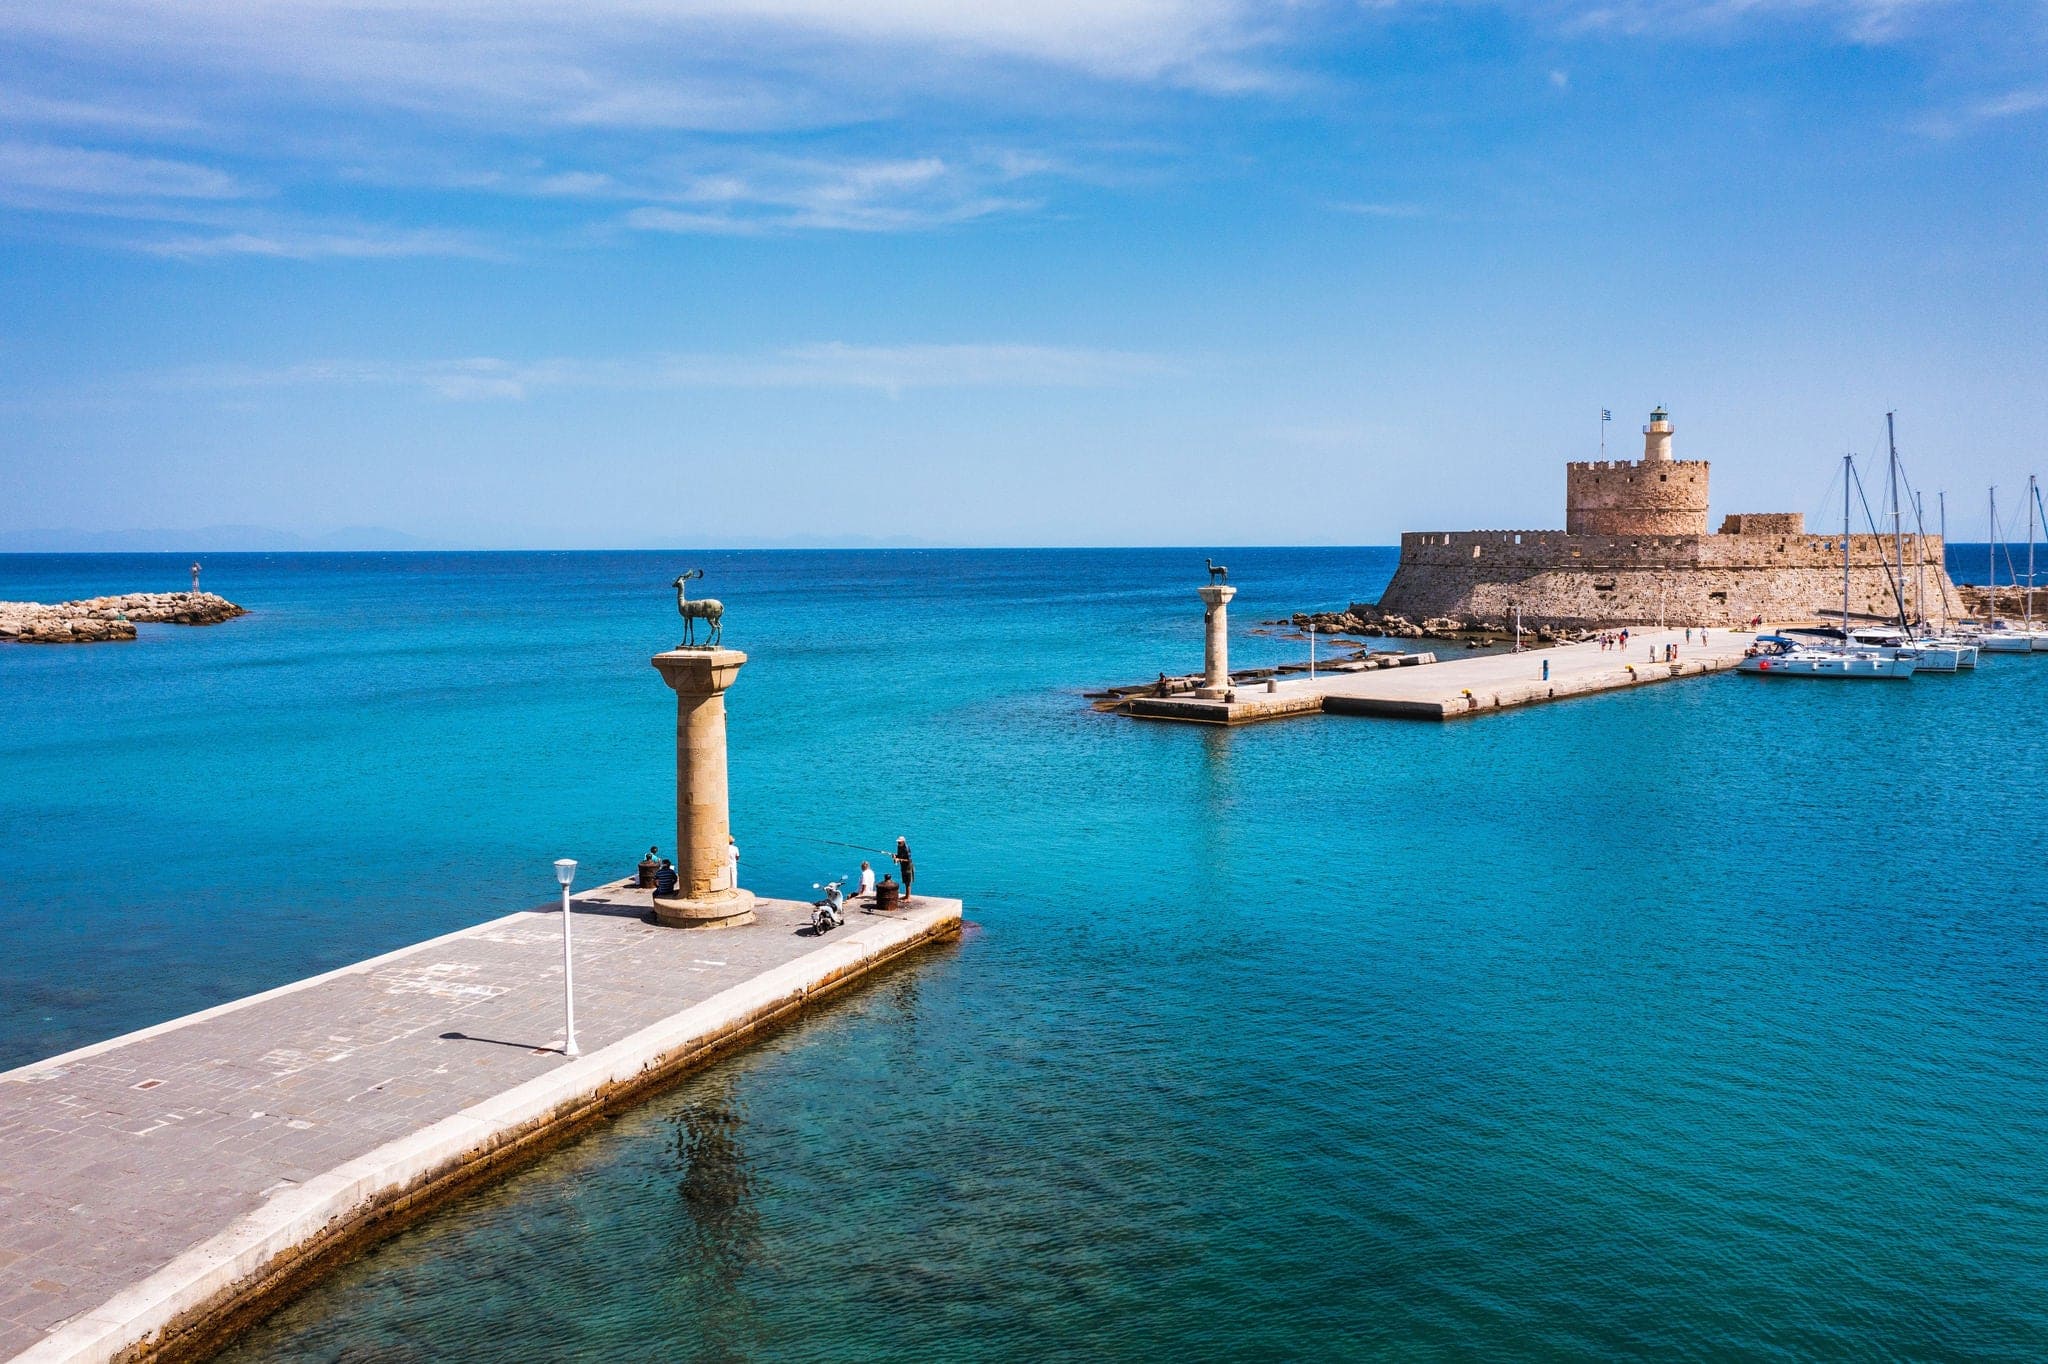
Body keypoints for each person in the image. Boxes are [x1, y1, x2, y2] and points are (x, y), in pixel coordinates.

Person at [893, 837, 915, 902]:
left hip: (908, 867)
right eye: (898, 842)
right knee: (905, 882)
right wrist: (895, 856)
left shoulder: (907, 848)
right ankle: (906, 896)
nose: (898, 843)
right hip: (903, 866)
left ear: (903, 842)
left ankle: (908, 898)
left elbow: (908, 859)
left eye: (899, 842)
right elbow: (899, 856)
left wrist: (899, 859)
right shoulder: (899, 847)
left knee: (908, 882)